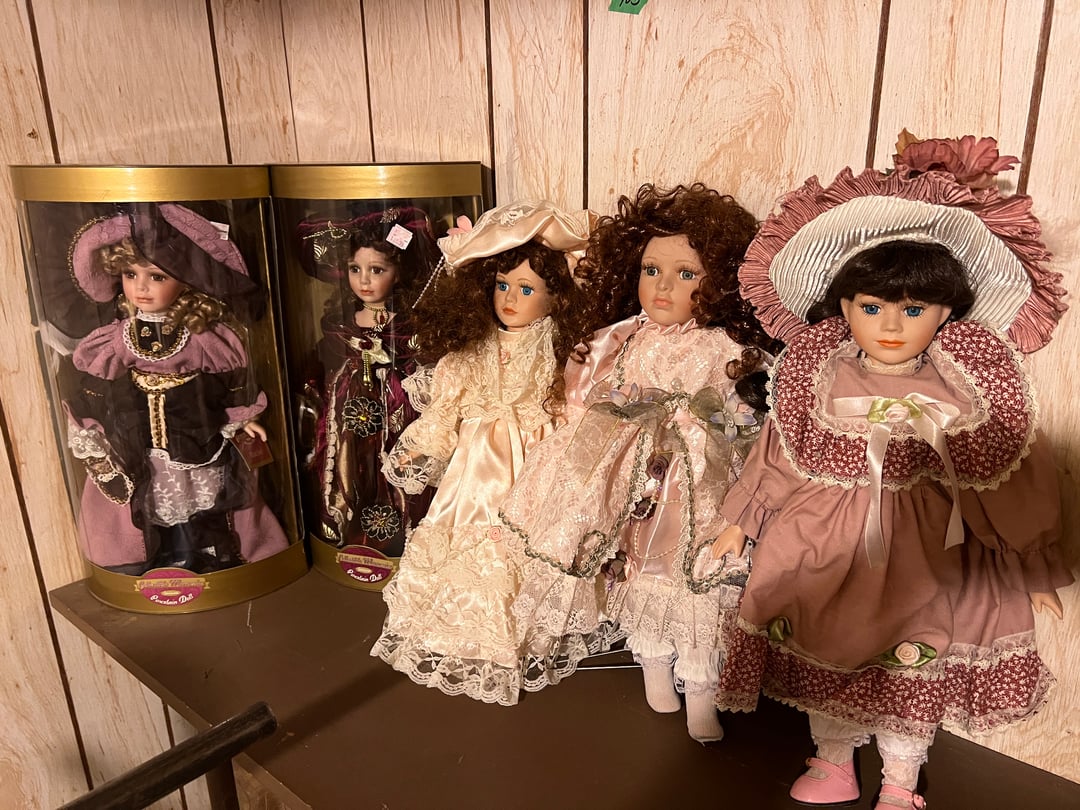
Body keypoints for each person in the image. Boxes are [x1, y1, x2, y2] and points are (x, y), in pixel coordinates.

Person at [711, 134, 1073, 809]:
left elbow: (999, 473)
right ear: (844, 307)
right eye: (872, 307)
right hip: (825, 538)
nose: (891, 326)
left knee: (916, 652)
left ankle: (901, 780)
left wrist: (1030, 559)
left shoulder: (965, 380)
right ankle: (834, 760)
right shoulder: (817, 371)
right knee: (827, 640)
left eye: (913, 310)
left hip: (927, 546)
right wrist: (744, 520)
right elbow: (783, 452)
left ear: (946, 312)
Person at [500, 183, 779, 740]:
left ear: (719, 281)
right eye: (651, 270)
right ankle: (654, 668)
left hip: (699, 483)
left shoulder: (723, 348)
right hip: (636, 480)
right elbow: (592, 398)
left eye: (685, 273)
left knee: (695, 576)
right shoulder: (625, 338)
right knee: (634, 567)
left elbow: (750, 419)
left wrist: (701, 422)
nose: (662, 286)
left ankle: (701, 691)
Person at [369, 200, 595, 705]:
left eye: (527, 289)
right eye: (502, 285)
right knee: (467, 541)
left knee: (526, 544)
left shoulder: (559, 347)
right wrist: (421, 449)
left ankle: (525, 632)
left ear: (557, 297)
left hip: (534, 461)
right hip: (475, 469)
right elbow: (446, 407)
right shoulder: (471, 349)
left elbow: (574, 408)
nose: (510, 299)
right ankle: (463, 629)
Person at [65, 203, 289, 575]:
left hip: (194, 433)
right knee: (147, 498)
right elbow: (97, 383)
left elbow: (229, 381)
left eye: (156, 277)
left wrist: (243, 418)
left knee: (198, 496)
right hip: (139, 437)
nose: (140, 288)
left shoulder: (201, 337)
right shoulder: (118, 337)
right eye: (130, 274)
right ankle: (157, 555)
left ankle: (201, 551)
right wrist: (91, 426)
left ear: (185, 280)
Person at [295, 208, 438, 571]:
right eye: (355, 269)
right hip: (349, 411)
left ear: (397, 272)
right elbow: (322, 364)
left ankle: (404, 535)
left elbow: (421, 365)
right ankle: (351, 531)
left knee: (394, 464)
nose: (364, 281)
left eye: (377, 270)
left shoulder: (408, 325)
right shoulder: (340, 323)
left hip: (396, 407)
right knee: (353, 468)